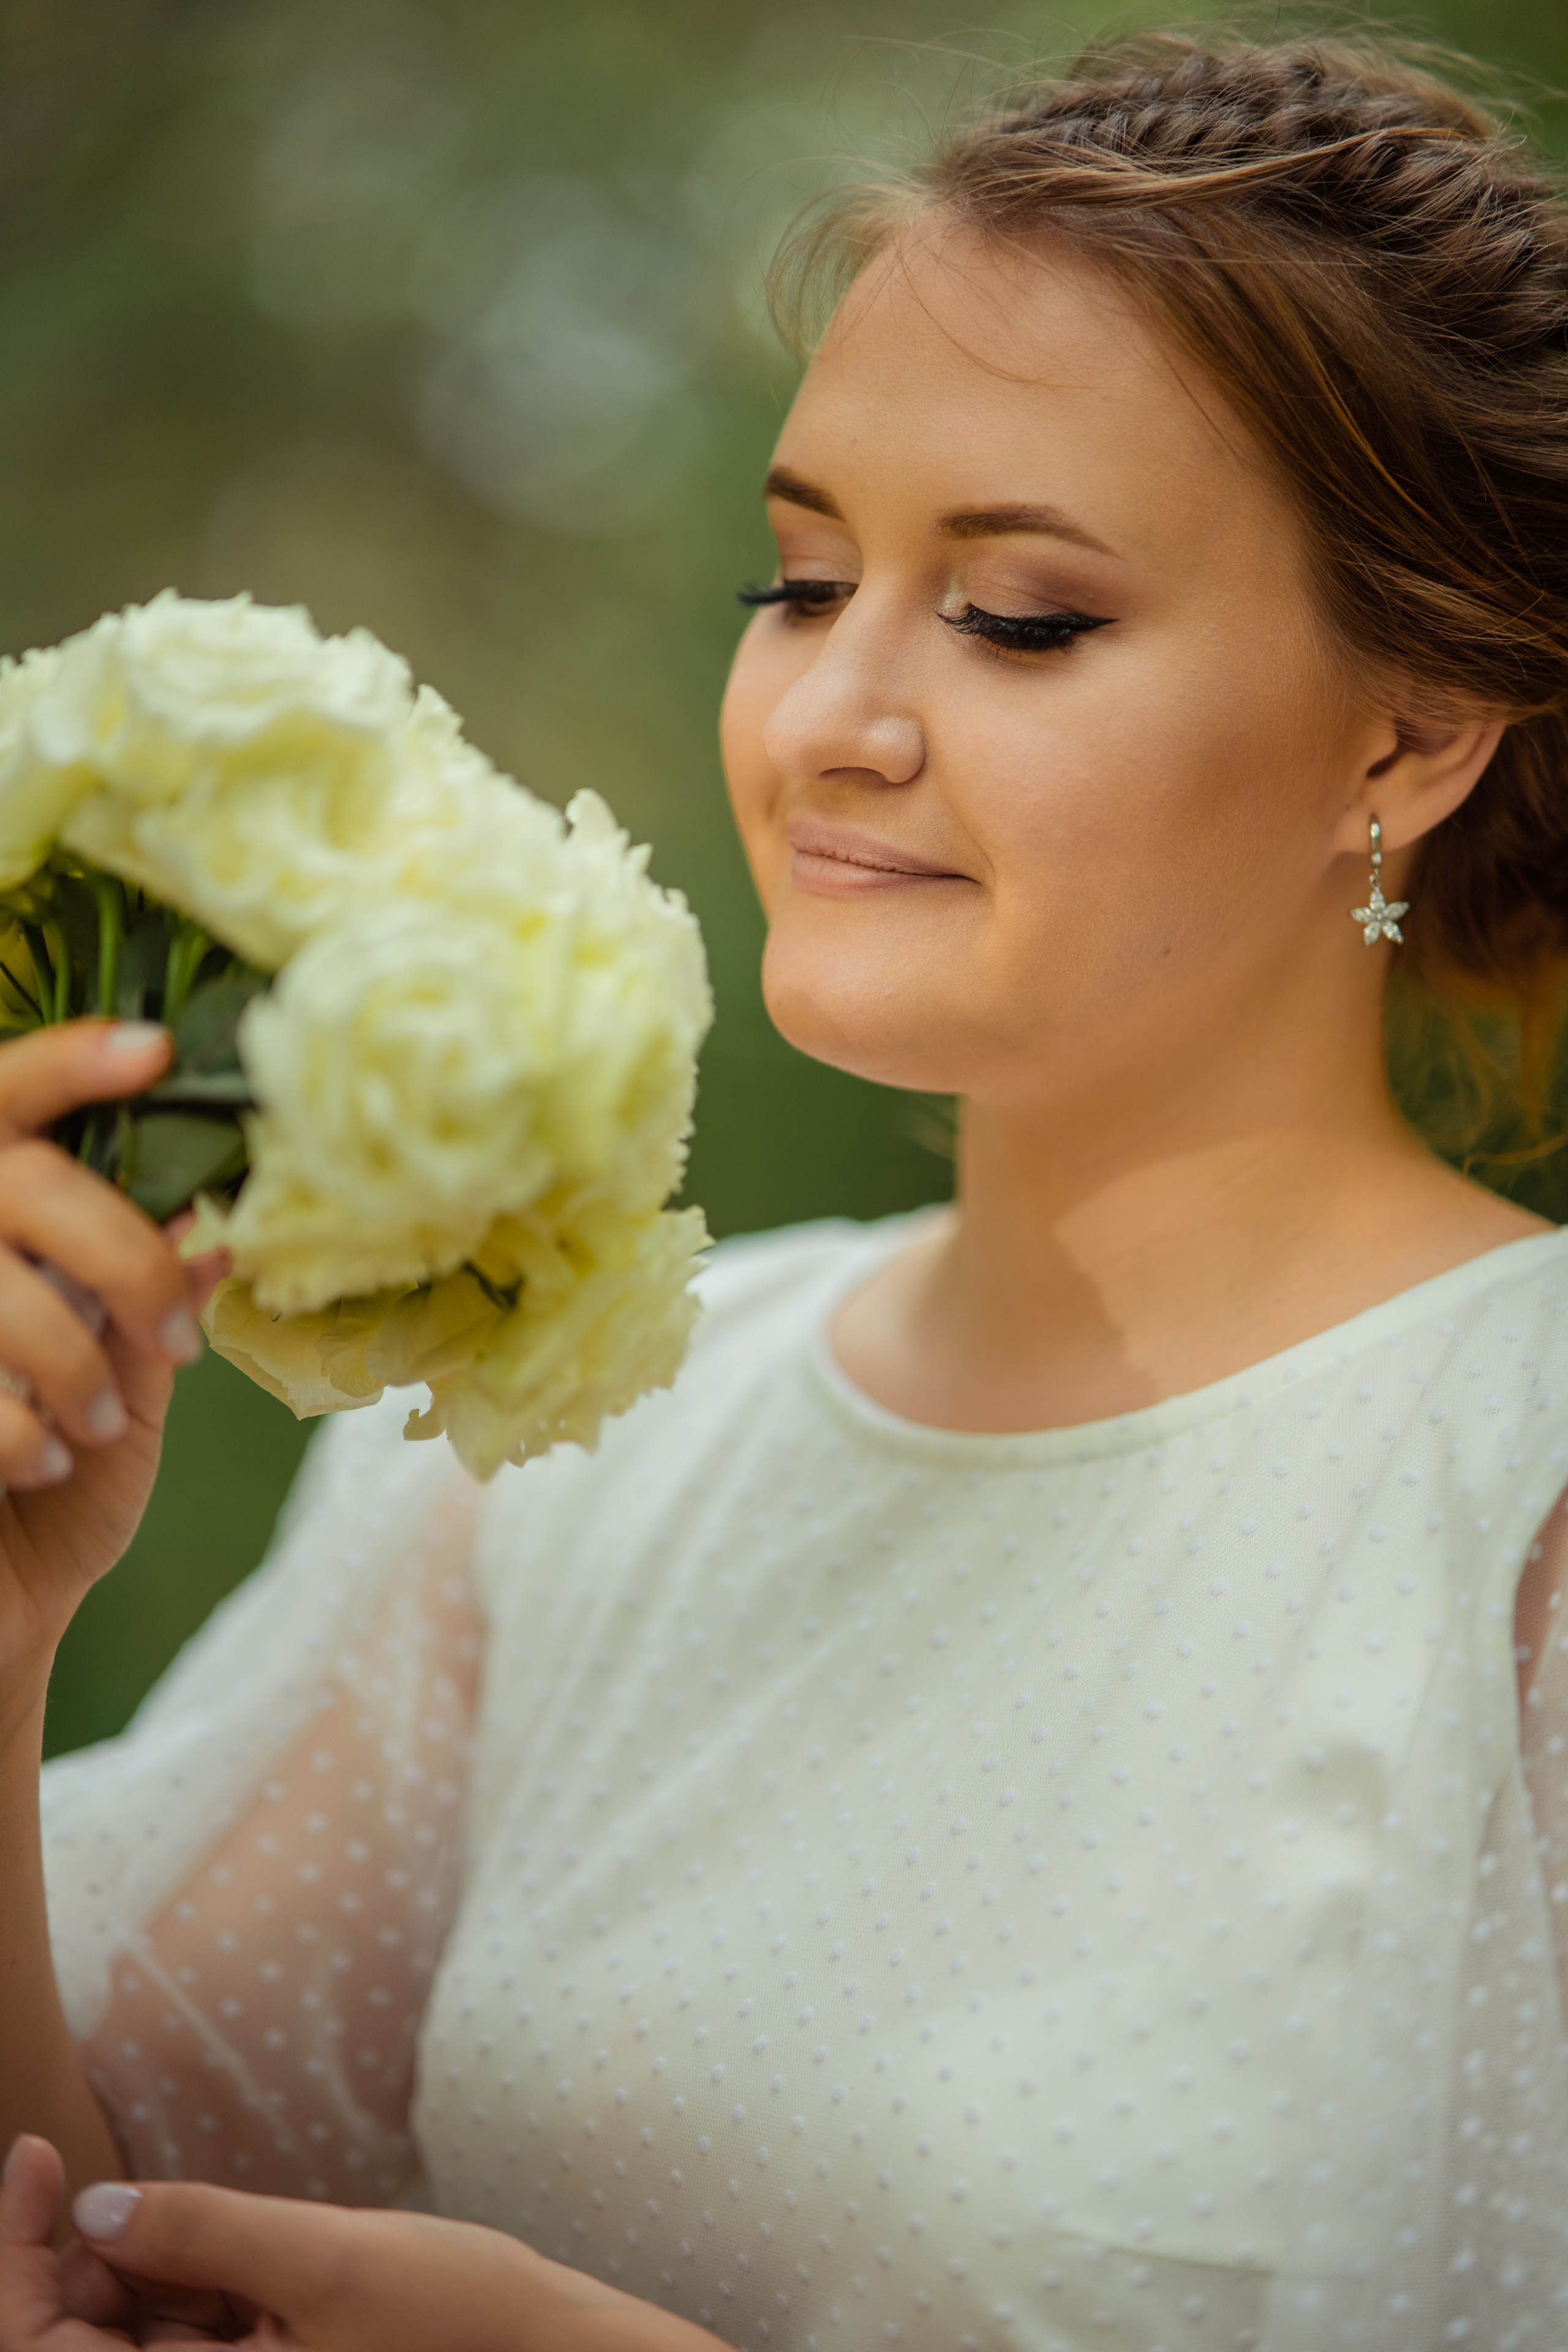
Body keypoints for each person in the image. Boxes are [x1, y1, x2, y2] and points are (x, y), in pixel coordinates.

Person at [6, 23, 1568, 2349]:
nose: (836, 711)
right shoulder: (574, 1449)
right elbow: (111, 2236)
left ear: (1413, 732)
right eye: (800, 576)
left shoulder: (1518, 1487)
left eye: (1023, 615)